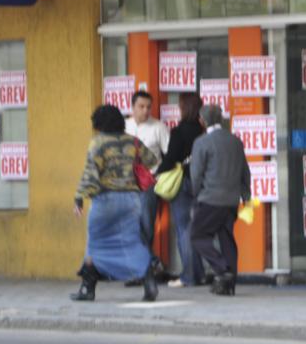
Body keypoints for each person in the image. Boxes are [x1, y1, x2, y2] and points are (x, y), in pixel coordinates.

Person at [71, 105, 159, 302]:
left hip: (106, 200)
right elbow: (152, 160)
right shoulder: (132, 141)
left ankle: (88, 289)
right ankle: (148, 279)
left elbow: (91, 172)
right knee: (132, 241)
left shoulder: (98, 143)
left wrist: (79, 197)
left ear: (99, 123)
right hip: (131, 201)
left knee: (95, 244)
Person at [189, 104, 251, 296]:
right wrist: (245, 196)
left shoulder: (202, 142)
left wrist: (196, 195)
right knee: (226, 238)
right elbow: (245, 171)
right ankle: (229, 283)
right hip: (232, 200)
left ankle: (223, 270)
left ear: (202, 120)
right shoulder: (235, 141)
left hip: (210, 199)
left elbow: (196, 175)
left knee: (197, 236)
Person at [157, 92, 206, 288]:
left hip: (183, 183)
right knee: (196, 229)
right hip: (201, 183)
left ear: (183, 108)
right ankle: (199, 274)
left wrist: (157, 173)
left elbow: (171, 159)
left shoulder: (178, 132)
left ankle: (188, 276)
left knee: (184, 229)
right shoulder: (203, 131)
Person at [124, 90, 169, 259]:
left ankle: (142, 267)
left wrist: (157, 175)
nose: (145, 110)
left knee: (146, 224)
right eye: (141, 106)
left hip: (148, 184)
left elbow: (169, 155)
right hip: (125, 184)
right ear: (132, 107)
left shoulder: (158, 127)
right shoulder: (123, 127)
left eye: (148, 107)